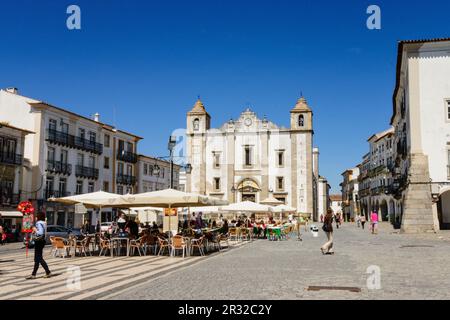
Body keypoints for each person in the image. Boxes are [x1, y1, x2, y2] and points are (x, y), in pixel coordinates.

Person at [26, 212, 51, 279]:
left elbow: (40, 233)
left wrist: (35, 229)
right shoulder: (44, 223)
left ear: (39, 217)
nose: (35, 217)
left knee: (39, 258)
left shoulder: (39, 223)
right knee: (37, 259)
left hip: (39, 241)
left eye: (36, 216)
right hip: (42, 241)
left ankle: (48, 272)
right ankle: (33, 274)